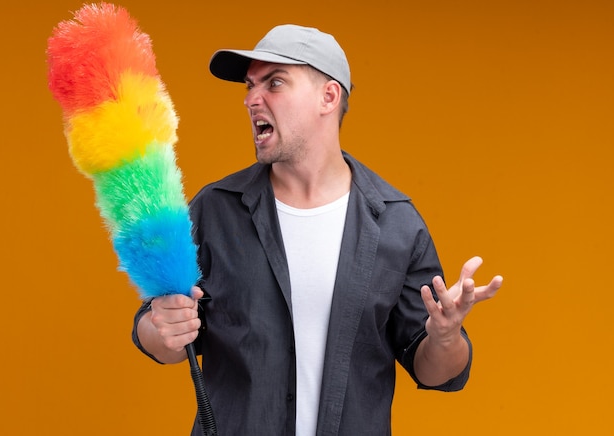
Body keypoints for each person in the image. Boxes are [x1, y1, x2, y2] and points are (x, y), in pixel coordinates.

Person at [132, 24, 503, 436]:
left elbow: (435, 372)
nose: (252, 99)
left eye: (274, 83)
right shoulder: (215, 209)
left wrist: (446, 336)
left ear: (329, 96)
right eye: (250, 86)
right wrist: (158, 328)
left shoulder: (397, 223)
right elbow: (164, 337)